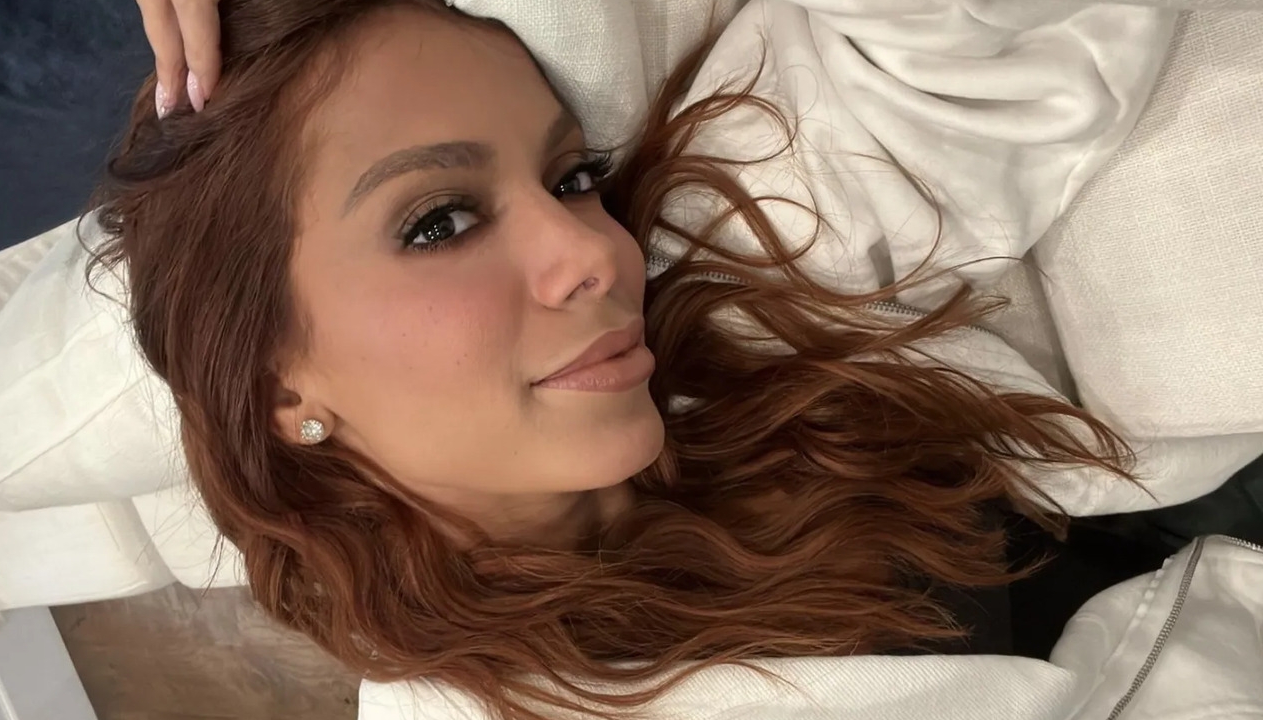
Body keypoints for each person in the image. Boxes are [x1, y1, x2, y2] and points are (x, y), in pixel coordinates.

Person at [91, 0, 1187, 718]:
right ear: (278, 382)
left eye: (572, 177)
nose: (596, 251)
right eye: (437, 223)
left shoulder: (713, 367)